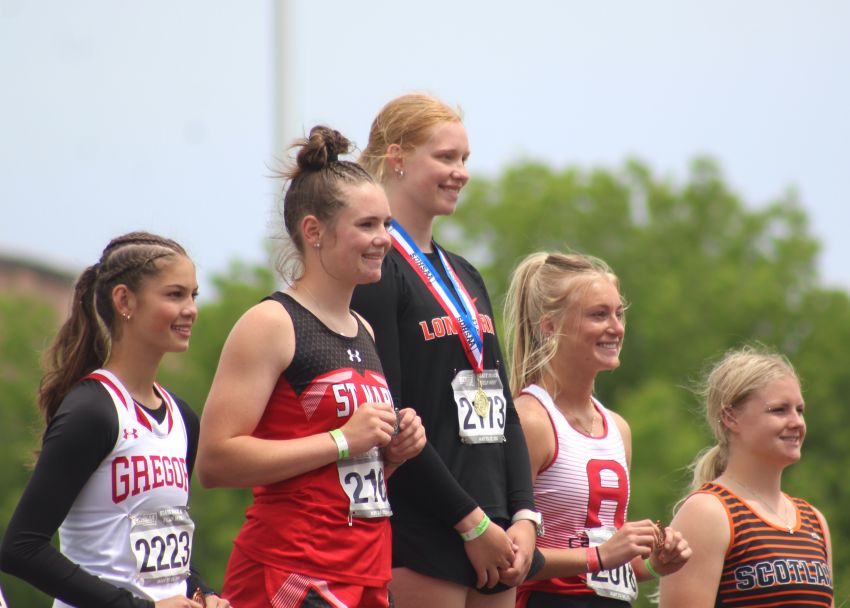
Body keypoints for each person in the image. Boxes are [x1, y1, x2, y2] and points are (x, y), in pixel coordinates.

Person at [195, 125, 426, 608]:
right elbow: (215, 462)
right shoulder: (272, 323)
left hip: (365, 570)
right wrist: (344, 438)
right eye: (367, 225)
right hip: (291, 570)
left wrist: (393, 453)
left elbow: (341, 467)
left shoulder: (364, 326)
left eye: (387, 224)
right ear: (314, 231)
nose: (384, 239)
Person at [351, 93, 543, 608]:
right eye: (446, 157)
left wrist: (524, 515)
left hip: (497, 527)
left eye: (465, 160)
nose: (460, 172)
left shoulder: (466, 273)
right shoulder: (376, 272)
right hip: (427, 522)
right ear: (396, 158)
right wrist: (468, 522)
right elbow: (391, 419)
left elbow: (505, 407)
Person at [0, 231, 228, 608]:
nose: (191, 309)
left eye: (193, 295)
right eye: (175, 294)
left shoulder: (182, 418)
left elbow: (168, 550)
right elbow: (21, 548)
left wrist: (204, 593)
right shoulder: (92, 411)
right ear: (125, 300)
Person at [504, 251, 691, 607]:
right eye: (598, 315)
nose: (616, 327)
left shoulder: (618, 428)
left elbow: (605, 555)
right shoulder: (530, 419)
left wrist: (653, 562)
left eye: (619, 314)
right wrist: (601, 554)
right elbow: (510, 556)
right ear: (549, 326)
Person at [658, 345, 833, 606]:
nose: (796, 422)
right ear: (730, 417)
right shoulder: (708, 512)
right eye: (779, 410)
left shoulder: (814, 521)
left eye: (799, 409)